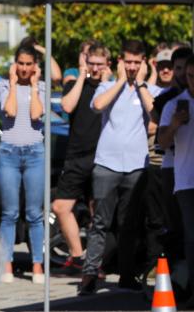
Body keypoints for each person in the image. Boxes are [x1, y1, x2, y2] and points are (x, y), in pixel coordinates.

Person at [78, 40, 154, 296]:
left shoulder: (149, 89)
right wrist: (121, 81)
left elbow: (153, 113)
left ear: (143, 63)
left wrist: (141, 83)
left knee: (129, 224)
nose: (132, 67)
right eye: (128, 61)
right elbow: (98, 106)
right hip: (107, 164)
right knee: (100, 222)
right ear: (121, 62)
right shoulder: (108, 85)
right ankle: (89, 275)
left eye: (136, 62)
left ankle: (126, 274)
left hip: (136, 165)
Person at [52, 43, 111, 276]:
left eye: (100, 64)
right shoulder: (77, 83)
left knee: (98, 212)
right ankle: (78, 256)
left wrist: (107, 81)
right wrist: (81, 76)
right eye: (92, 63)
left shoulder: (111, 87)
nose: (95, 68)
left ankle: (97, 263)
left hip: (101, 156)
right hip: (76, 156)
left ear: (108, 64)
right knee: (60, 206)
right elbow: (67, 105)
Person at [0, 45, 46, 284]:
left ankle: (37, 264)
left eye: (29, 64)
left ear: (35, 65)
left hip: (35, 152)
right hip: (9, 153)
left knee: (35, 213)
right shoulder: (5, 86)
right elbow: (10, 111)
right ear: (15, 64)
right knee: (9, 213)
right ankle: (7, 263)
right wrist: (14, 83)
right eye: (21, 63)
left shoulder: (42, 88)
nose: (25, 68)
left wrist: (35, 86)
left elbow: (36, 115)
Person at [152, 46, 194, 271]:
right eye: (189, 76)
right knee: (189, 234)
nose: (192, 81)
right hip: (186, 180)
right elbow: (163, 142)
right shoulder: (173, 104)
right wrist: (176, 124)